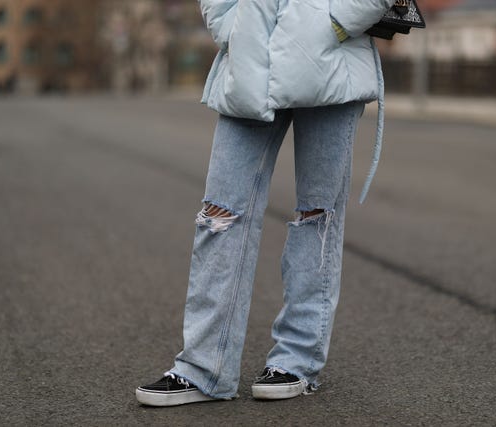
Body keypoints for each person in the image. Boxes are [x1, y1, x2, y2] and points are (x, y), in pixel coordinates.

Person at [135, 0, 395, 406]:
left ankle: (296, 362)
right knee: (218, 214)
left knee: (316, 217)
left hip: (329, 61)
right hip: (250, 60)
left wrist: (335, 25)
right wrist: (231, 27)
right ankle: (205, 369)